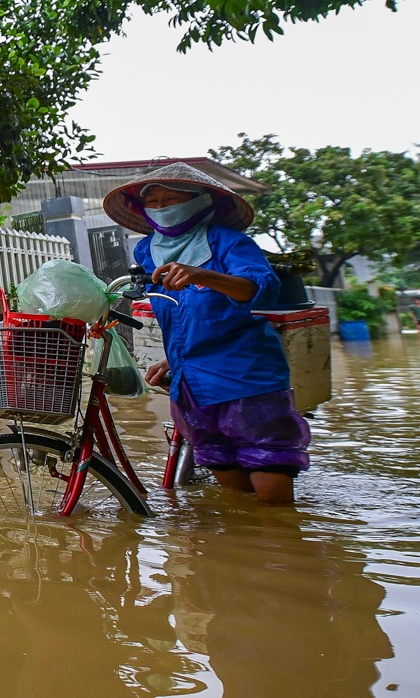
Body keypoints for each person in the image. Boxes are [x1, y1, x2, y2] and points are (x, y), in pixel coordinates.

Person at [103, 163, 310, 506]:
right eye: (152, 201)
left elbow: (260, 289)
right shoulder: (144, 251)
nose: (162, 206)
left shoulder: (229, 242)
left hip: (243, 377)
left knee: (272, 493)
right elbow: (181, 313)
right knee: (230, 487)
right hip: (190, 383)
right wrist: (172, 359)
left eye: (171, 198)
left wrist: (203, 275)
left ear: (201, 202)